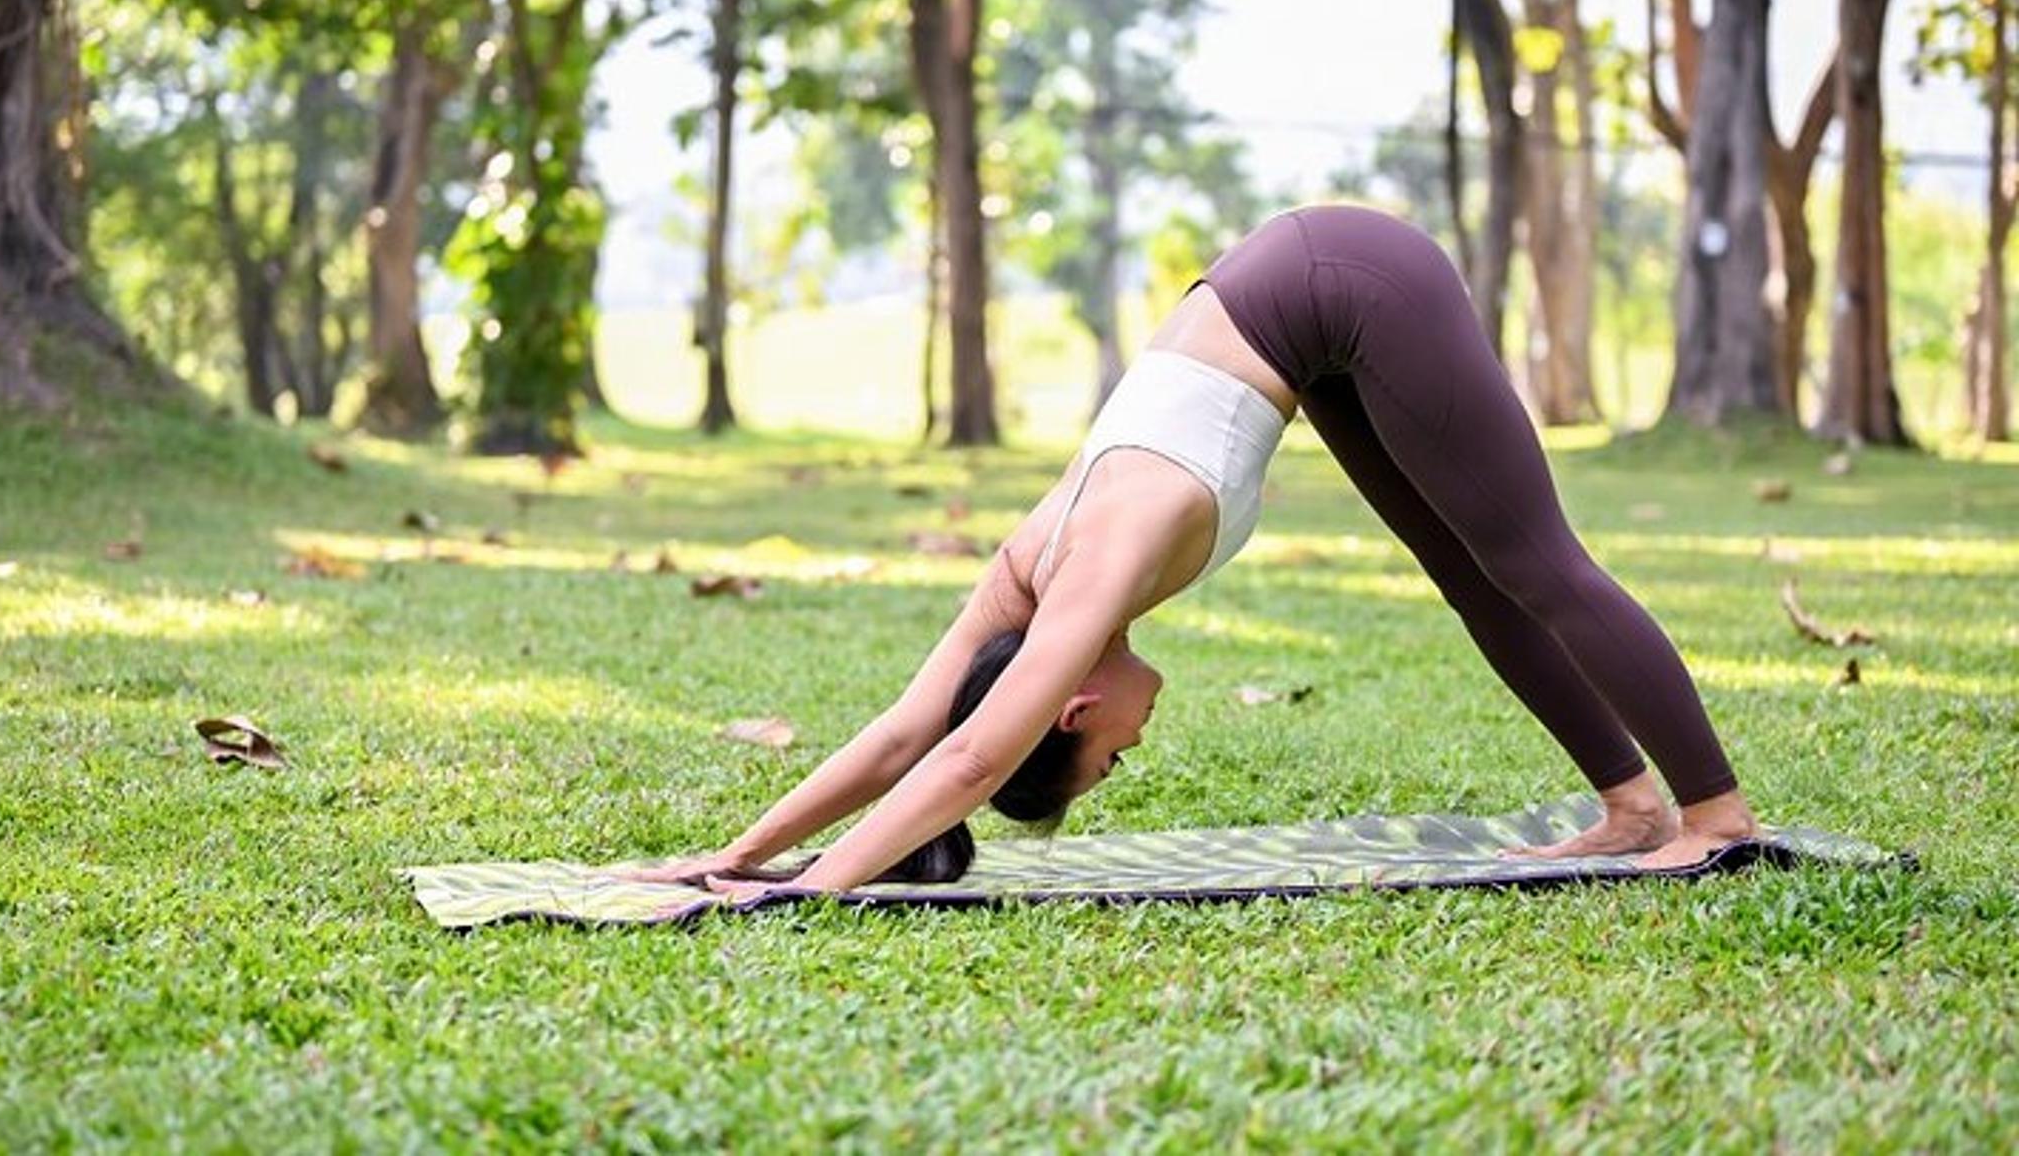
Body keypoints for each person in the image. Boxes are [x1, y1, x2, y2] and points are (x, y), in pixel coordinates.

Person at [634, 203, 1758, 902]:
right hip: (1298, 324)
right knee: (1478, 580)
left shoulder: (1086, 579)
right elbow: (903, 733)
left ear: (1071, 711)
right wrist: (735, 857)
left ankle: (1711, 819)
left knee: (1535, 562)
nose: (1134, 746)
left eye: (1108, 758)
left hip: (1350, 281)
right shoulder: (1021, 575)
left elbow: (970, 761)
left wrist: (808, 894)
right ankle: (1630, 807)